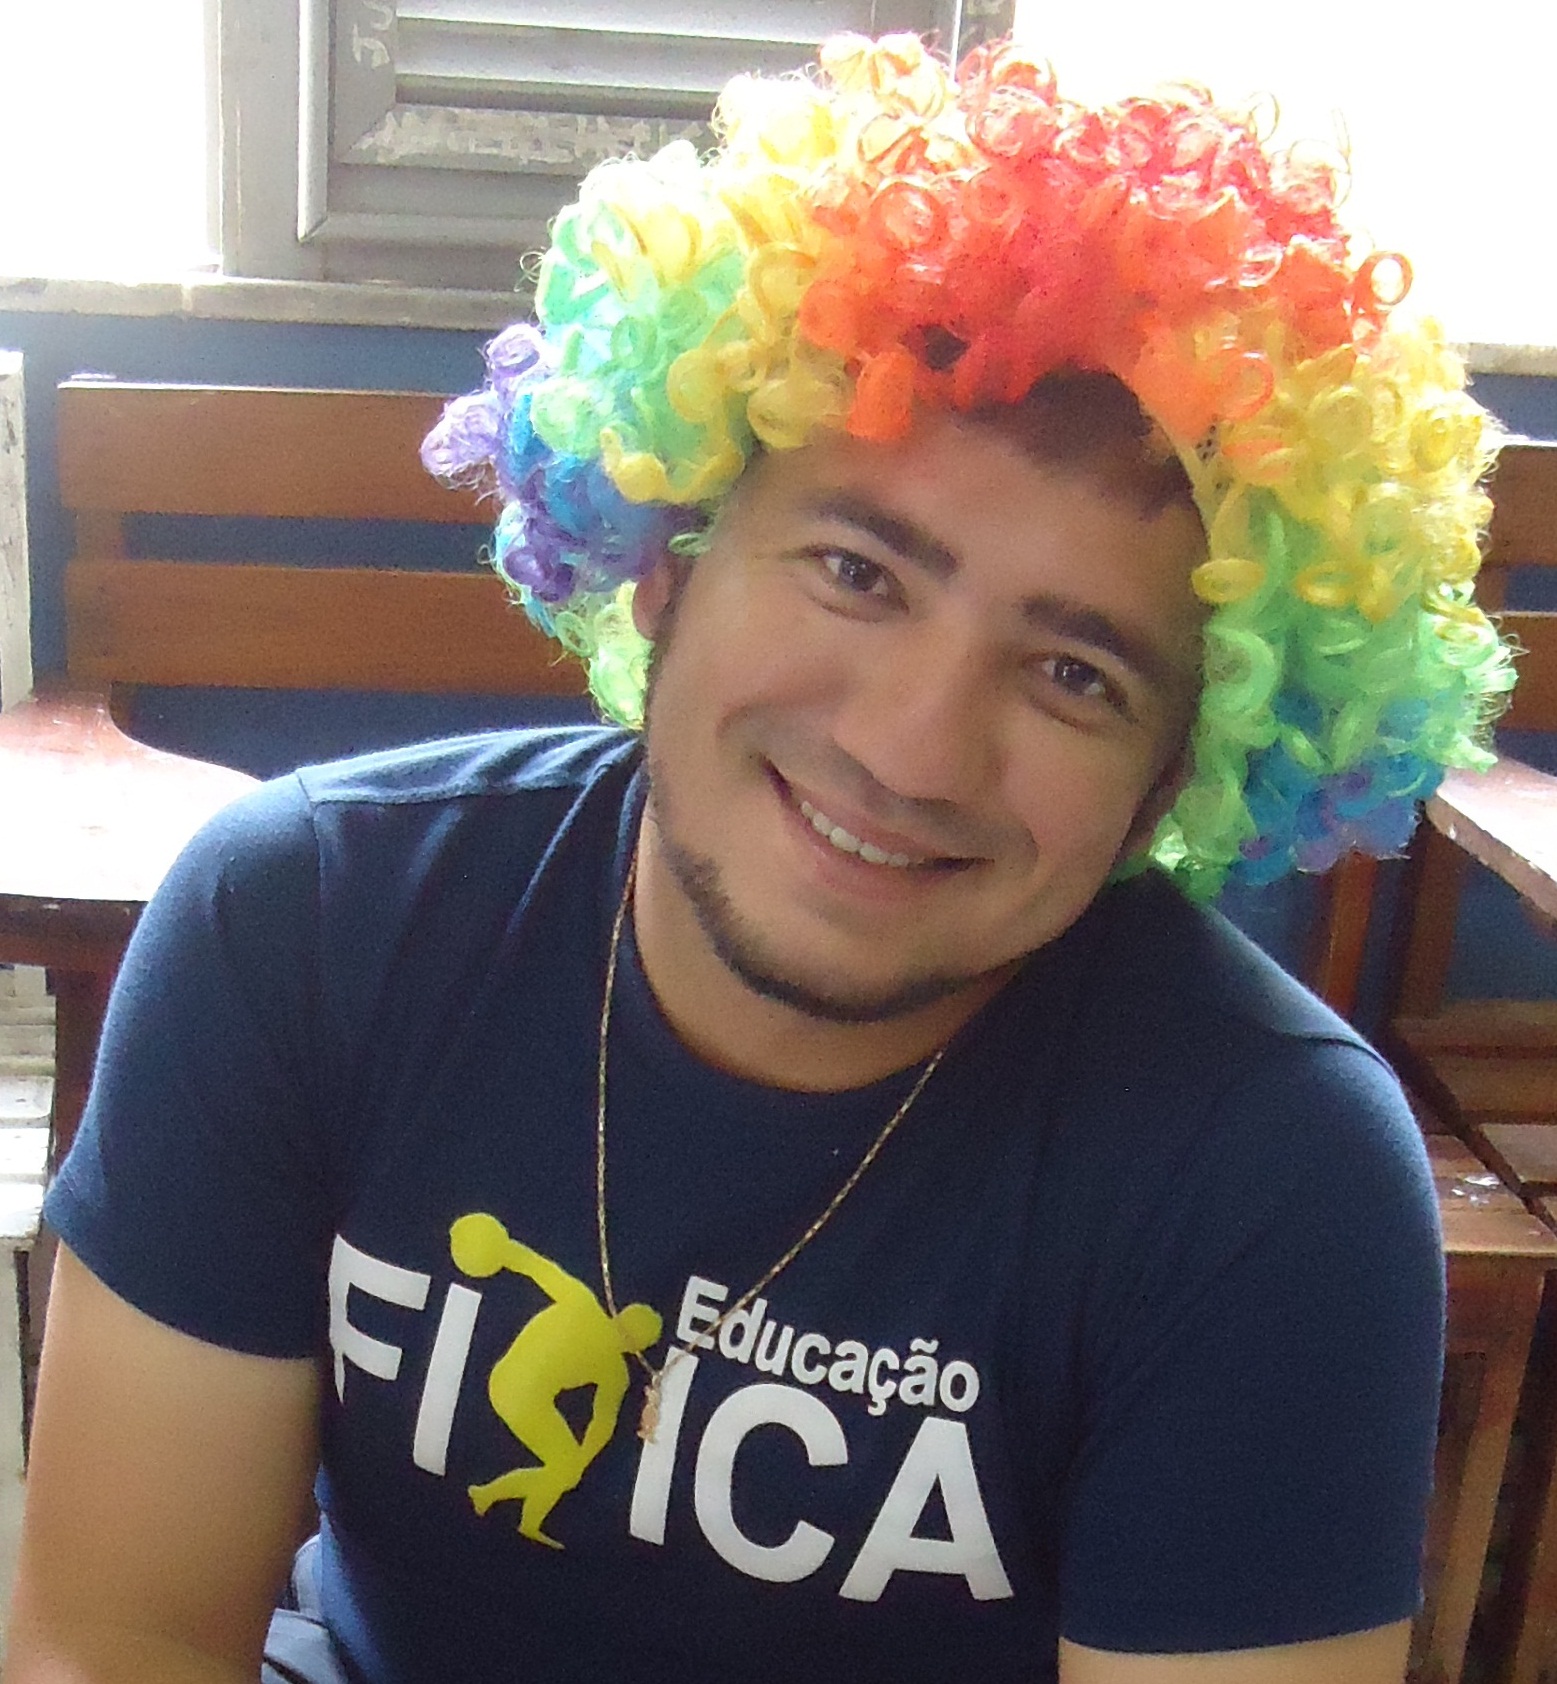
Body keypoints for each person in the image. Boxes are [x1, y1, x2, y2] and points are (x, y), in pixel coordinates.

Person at [4, 31, 1514, 1684]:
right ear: (667, 561)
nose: (912, 750)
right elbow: (119, 1640)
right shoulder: (307, 922)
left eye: (1073, 675)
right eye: (858, 573)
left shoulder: (1266, 1179)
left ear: (1171, 781)